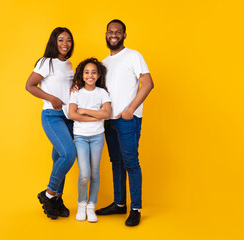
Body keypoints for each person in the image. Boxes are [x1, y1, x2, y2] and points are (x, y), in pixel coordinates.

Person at [95, 19, 154, 227]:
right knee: (116, 162)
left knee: (130, 162)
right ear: (105, 34)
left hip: (128, 120)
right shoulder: (103, 63)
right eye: (110, 32)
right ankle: (119, 204)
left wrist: (130, 110)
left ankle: (135, 208)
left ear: (124, 35)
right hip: (109, 121)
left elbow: (148, 83)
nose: (114, 35)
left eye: (118, 32)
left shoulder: (133, 56)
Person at [25, 27, 76, 220]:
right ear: (54, 42)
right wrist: (52, 98)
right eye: (61, 40)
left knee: (58, 159)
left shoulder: (69, 64)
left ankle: (57, 199)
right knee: (69, 154)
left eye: (68, 40)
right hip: (52, 116)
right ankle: (47, 194)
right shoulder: (46, 62)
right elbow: (29, 85)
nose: (65, 44)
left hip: (68, 117)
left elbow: (67, 88)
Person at [68, 58, 111, 223]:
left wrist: (84, 111)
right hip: (80, 136)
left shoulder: (102, 93)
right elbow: (72, 114)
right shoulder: (76, 92)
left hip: (98, 136)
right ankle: (81, 204)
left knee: (95, 173)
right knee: (84, 174)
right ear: (82, 75)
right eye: (87, 72)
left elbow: (106, 114)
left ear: (99, 75)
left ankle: (91, 206)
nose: (90, 75)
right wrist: (96, 115)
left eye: (94, 72)